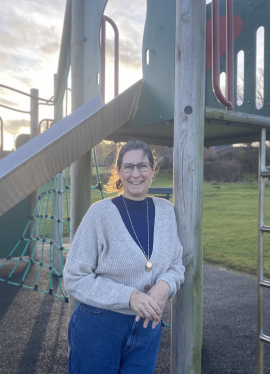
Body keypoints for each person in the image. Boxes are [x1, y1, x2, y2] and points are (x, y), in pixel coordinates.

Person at [63, 140, 185, 374]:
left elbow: (176, 264)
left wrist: (165, 284)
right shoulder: (99, 213)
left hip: (148, 329)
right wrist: (129, 296)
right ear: (118, 171)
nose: (135, 173)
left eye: (142, 166)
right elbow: (74, 277)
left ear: (152, 170)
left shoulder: (166, 210)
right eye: (128, 167)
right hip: (99, 325)